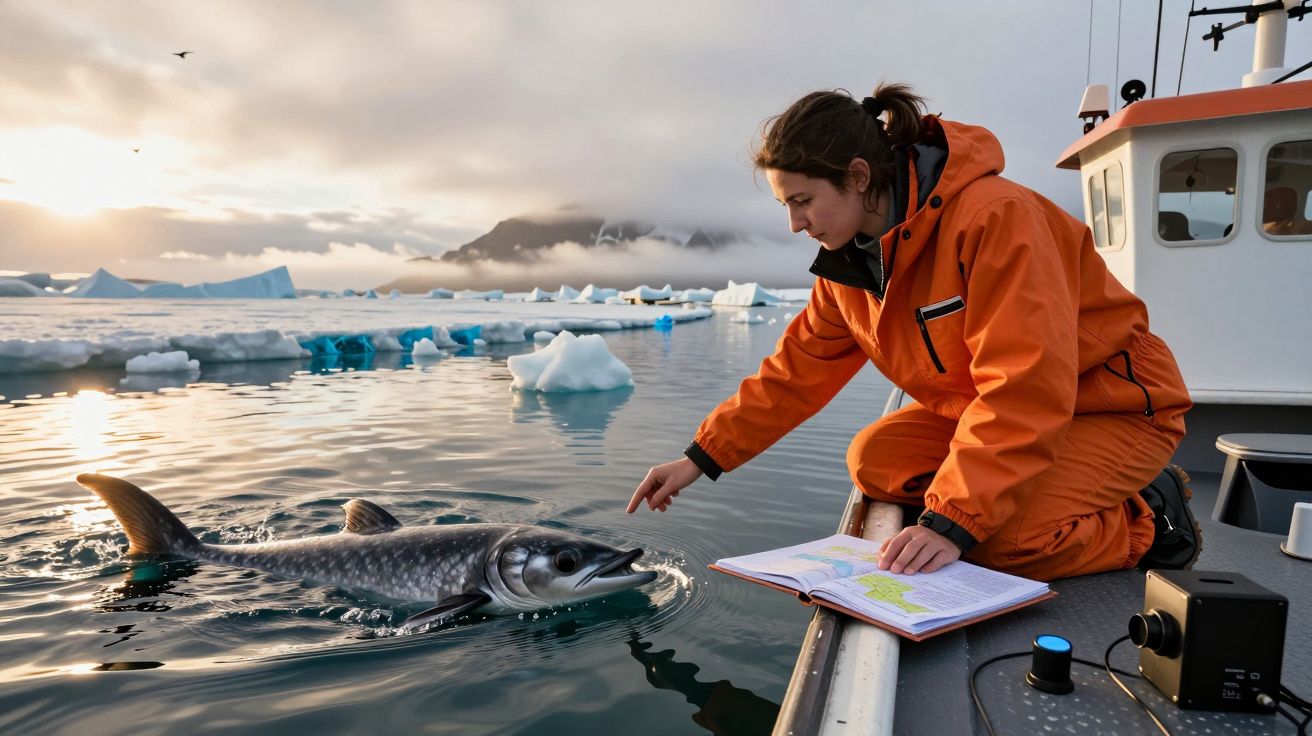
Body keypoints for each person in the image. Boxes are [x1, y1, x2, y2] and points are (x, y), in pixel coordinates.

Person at [626, 83, 1201, 582]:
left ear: (856, 177)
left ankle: (1151, 519)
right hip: (999, 411)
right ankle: (1034, 489)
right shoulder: (852, 266)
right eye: (786, 204)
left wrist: (953, 522)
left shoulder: (994, 219)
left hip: (1112, 406)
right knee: (875, 459)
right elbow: (792, 376)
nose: (794, 223)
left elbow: (1027, 384)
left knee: (997, 540)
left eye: (802, 201)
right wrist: (699, 459)